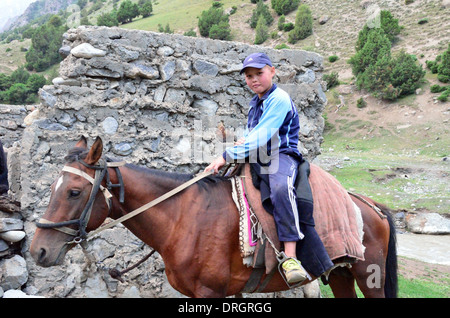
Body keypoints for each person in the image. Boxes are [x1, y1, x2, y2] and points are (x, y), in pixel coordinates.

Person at [205, 52, 307, 284]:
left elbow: (264, 135)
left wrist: (227, 155)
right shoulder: (257, 102)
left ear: (272, 71)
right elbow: (256, 134)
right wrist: (245, 141)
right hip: (260, 154)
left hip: (282, 155)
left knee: (281, 188)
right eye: (249, 76)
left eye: (259, 73)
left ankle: (291, 256)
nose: (254, 80)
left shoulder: (278, 99)